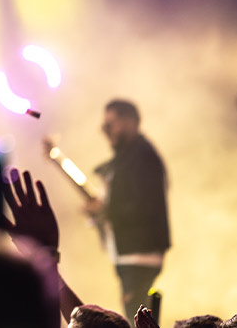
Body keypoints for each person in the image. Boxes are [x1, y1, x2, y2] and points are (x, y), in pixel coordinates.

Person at [89, 99, 171, 318]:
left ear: (131, 121)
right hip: (131, 253)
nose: (105, 130)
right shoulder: (128, 158)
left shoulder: (143, 156)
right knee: (139, 318)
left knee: (137, 318)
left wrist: (106, 210)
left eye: (111, 123)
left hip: (139, 254)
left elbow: (145, 206)